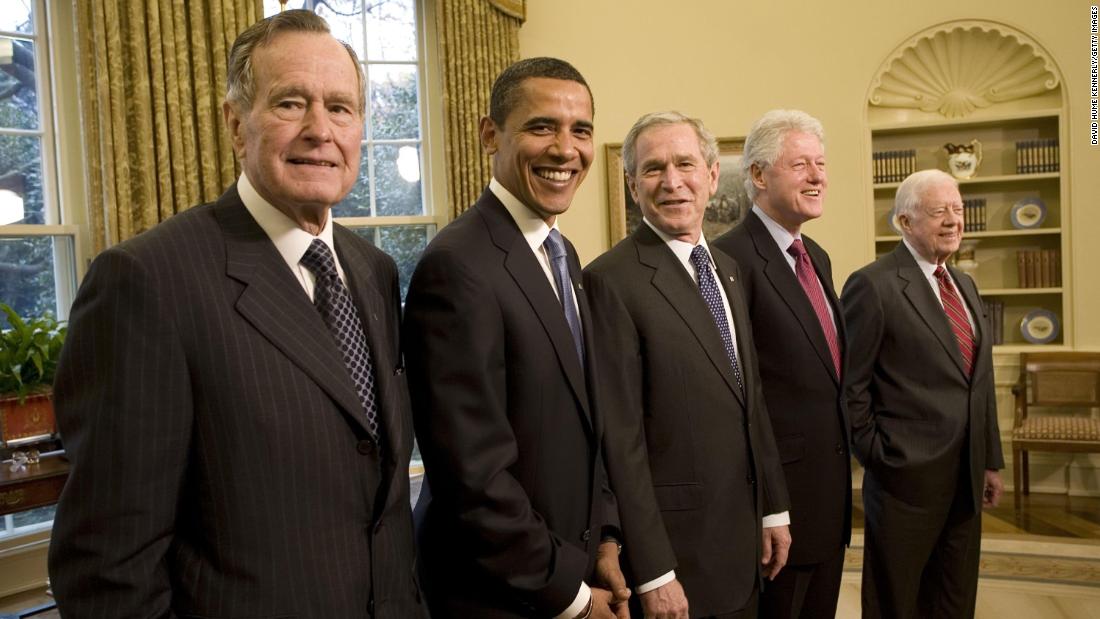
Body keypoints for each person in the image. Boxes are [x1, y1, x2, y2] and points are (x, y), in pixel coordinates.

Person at [47, 11, 424, 617]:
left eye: (340, 108)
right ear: (235, 124)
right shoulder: (147, 282)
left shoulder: (372, 270)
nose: (319, 130)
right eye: (290, 104)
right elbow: (107, 570)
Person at [402, 57, 628, 619]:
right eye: (541, 127)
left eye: (580, 131)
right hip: (501, 594)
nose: (565, 150)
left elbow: (584, 421)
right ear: (489, 134)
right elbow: (472, 477)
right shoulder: (457, 266)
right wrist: (570, 596)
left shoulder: (562, 253)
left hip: (570, 561)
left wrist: (603, 536)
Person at [584, 111, 791, 619]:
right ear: (633, 185)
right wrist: (654, 570)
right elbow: (622, 441)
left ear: (713, 175)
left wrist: (773, 508)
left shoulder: (728, 270)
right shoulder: (610, 282)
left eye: (685, 164)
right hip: (678, 559)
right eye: (654, 169)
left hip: (743, 543)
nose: (672, 182)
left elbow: (751, 399)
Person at [841, 169, 1005, 618]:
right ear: (904, 221)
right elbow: (850, 386)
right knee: (898, 603)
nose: (952, 220)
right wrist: (879, 454)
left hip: (966, 479)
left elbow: (981, 382)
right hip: (904, 483)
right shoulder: (872, 285)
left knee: (953, 599)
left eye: (958, 209)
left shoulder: (965, 285)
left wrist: (990, 458)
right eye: (938, 211)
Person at [711, 109, 850, 619]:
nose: (818, 176)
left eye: (820, 163)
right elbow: (739, 396)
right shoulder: (729, 261)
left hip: (829, 497)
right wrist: (772, 506)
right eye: (800, 165)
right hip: (776, 507)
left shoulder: (816, 254)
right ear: (759, 174)